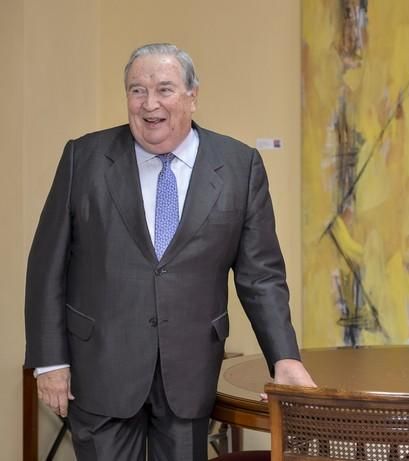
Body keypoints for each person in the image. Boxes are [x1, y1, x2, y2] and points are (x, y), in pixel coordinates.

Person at [24, 43, 315, 461]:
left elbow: (261, 276)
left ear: (193, 96)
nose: (149, 104)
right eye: (137, 90)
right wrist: (50, 362)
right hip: (101, 368)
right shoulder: (83, 158)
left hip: (189, 373)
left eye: (164, 89)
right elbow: (46, 266)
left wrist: (283, 356)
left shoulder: (239, 165)